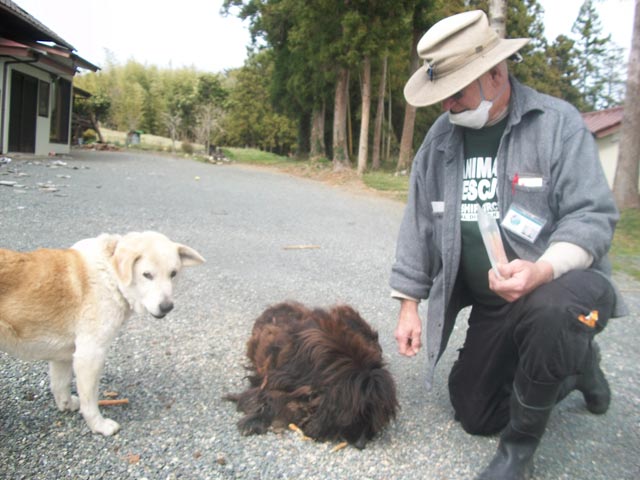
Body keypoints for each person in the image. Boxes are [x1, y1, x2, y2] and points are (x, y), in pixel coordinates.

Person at [389, 9, 627, 480]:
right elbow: (419, 224)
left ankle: (518, 453)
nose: (447, 107)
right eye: (440, 97)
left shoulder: (556, 124)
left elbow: (592, 216)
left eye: (455, 94)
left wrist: (540, 270)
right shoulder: (439, 142)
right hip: (495, 306)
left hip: (560, 289)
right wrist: (409, 304)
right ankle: (576, 368)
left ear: (496, 74)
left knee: (551, 309)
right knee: (473, 412)